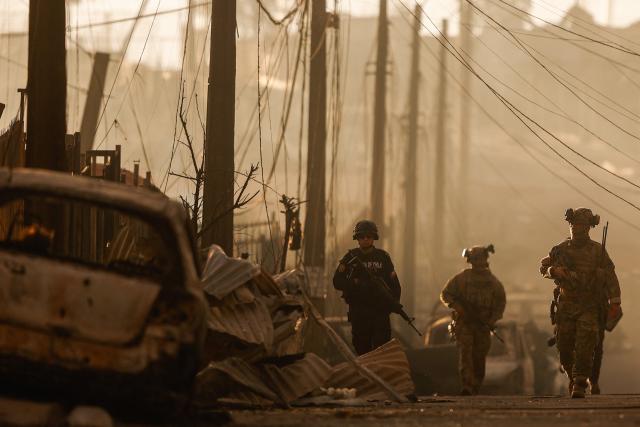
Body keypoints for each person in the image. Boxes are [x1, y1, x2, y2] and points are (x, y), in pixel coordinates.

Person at [539, 208, 621, 398]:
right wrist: (553, 271)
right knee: (565, 347)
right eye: (574, 224)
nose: (576, 229)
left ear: (588, 227)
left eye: (581, 225)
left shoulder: (597, 251)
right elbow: (543, 267)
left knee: (586, 345)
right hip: (566, 305)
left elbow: (610, 276)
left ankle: (580, 382)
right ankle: (572, 376)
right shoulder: (561, 248)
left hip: (589, 305)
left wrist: (615, 301)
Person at [440, 245, 506, 395]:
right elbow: (445, 294)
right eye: (476, 259)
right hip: (465, 324)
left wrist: (492, 320)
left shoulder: (493, 283)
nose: (478, 263)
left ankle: (476, 383)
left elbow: (500, 303)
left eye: (480, 259)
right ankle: (467, 385)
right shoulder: (461, 279)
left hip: (483, 325)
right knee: (466, 354)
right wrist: (457, 307)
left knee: (479, 356)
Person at [332, 220, 401, 355]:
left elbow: (394, 284)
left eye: (368, 236)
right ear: (357, 238)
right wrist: (356, 283)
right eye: (362, 236)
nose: (365, 239)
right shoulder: (350, 258)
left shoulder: (383, 257)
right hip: (359, 312)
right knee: (362, 351)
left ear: (374, 237)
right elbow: (337, 281)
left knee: (382, 351)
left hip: (380, 312)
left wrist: (394, 303)